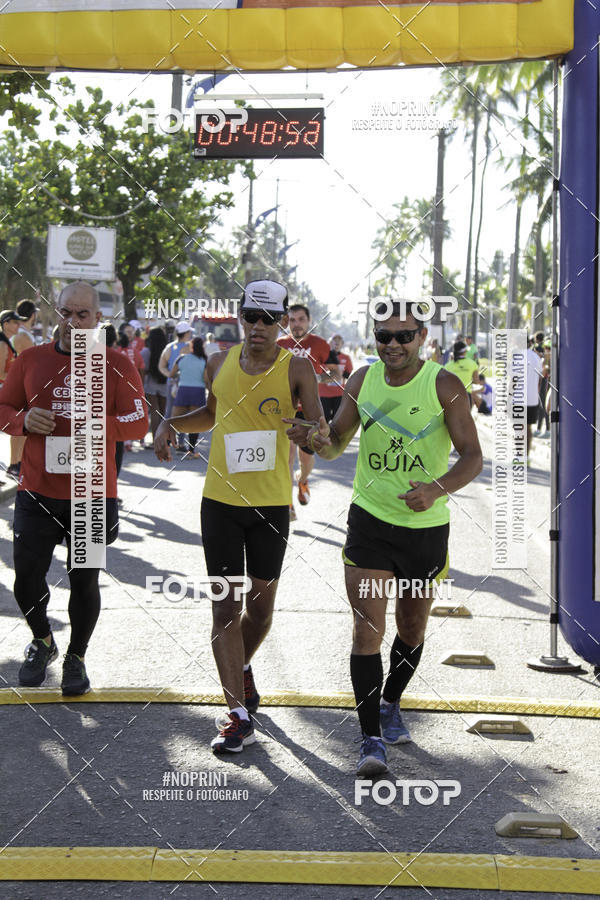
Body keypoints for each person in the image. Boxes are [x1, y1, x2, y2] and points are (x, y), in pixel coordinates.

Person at [286, 300, 482, 776]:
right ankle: (371, 739)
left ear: (422, 338)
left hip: (423, 530)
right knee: (366, 631)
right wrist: (315, 441)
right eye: (383, 336)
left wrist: (435, 490)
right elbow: (335, 443)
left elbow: (472, 456)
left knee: (411, 628)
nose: (392, 345)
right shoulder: (362, 380)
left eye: (403, 336)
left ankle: (391, 701)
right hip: (370, 522)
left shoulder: (443, 385)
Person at [155, 280, 324, 754]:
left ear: (283, 322)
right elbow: (212, 413)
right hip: (220, 505)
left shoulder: (297, 368)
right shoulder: (218, 363)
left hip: (270, 506)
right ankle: (236, 715)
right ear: (240, 316)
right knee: (225, 608)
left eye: (269, 319)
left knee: (260, 611)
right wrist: (170, 423)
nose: (259, 326)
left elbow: (319, 431)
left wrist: (309, 434)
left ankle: (241, 668)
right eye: (252, 316)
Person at [0, 282, 148, 694]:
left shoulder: (117, 364)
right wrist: (23, 421)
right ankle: (43, 640)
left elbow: (139, 422)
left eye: (83, 315)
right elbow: (3, 407)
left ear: (98, 319)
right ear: (57, 312)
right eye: (66, 313)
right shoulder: (30, 359)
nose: (73, 322)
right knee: (26, 576)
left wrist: (101, 426)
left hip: (92, 494)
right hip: (37, 489)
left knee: (83, 579)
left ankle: (76, 657)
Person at [278, 304, 341, 517]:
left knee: (305, 459)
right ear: (286, 322)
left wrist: (314, 379)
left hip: (310, 409)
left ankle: (303, 479)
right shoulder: (279, 344)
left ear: (309, 321)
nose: (297, 324)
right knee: (287, 457)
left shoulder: (321, 344)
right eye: (292, 320)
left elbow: (336, 374)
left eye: (301, 319)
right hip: (284, 409)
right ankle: (287, 504)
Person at [9, 299, 39, 480]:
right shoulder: (22, 336)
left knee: (24, 428)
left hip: (24, 384)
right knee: (19, 427)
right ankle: (14, 464)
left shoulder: (25, 334)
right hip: (20, 385)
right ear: (32, 315)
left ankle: (18, 462)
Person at [169, 336, 207, 456]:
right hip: (198, 392)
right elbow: (206, 379)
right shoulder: (204, 360)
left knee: (175, 420)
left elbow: (171, 374)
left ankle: (170, 445)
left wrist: (181, 375)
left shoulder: (181, 358)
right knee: (194, 422)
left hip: (183, 391)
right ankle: (191, 450)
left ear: (191, 346)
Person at [159, 321, 192, 424]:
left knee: (169, 411)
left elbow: (161, 366)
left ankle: (164, 433)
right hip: (187, 384)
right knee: (185, 413)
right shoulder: (191, 348)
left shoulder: (169, 347)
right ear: (186, 333)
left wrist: (170, 375)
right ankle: (180, 435)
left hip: (172, 383)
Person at [319, 333, 353, 423]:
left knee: (337, 420)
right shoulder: (323, 357)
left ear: (342, 344)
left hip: (339, 393)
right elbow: (317, 372)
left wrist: (339, 373)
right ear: (330, 343)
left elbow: (348, 374)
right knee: (324, 419)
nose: (337, 342)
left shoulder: (346, 358)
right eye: (334, 340)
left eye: (339, 341)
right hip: (324, 393)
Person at [444, 340, 479, 406]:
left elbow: (445, 383)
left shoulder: (447, 366)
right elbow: (476, 381)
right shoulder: (473, 363)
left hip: (452, 396)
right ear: (465, 351)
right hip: (466, 396)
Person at [526, 337, 544, 461]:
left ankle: (520, 456)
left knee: (519, 428)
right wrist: (536, 390)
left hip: (519, 398)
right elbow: (540, 377)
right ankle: (526, 456)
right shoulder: (536, 357)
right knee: (528, 428)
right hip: (532, 398)